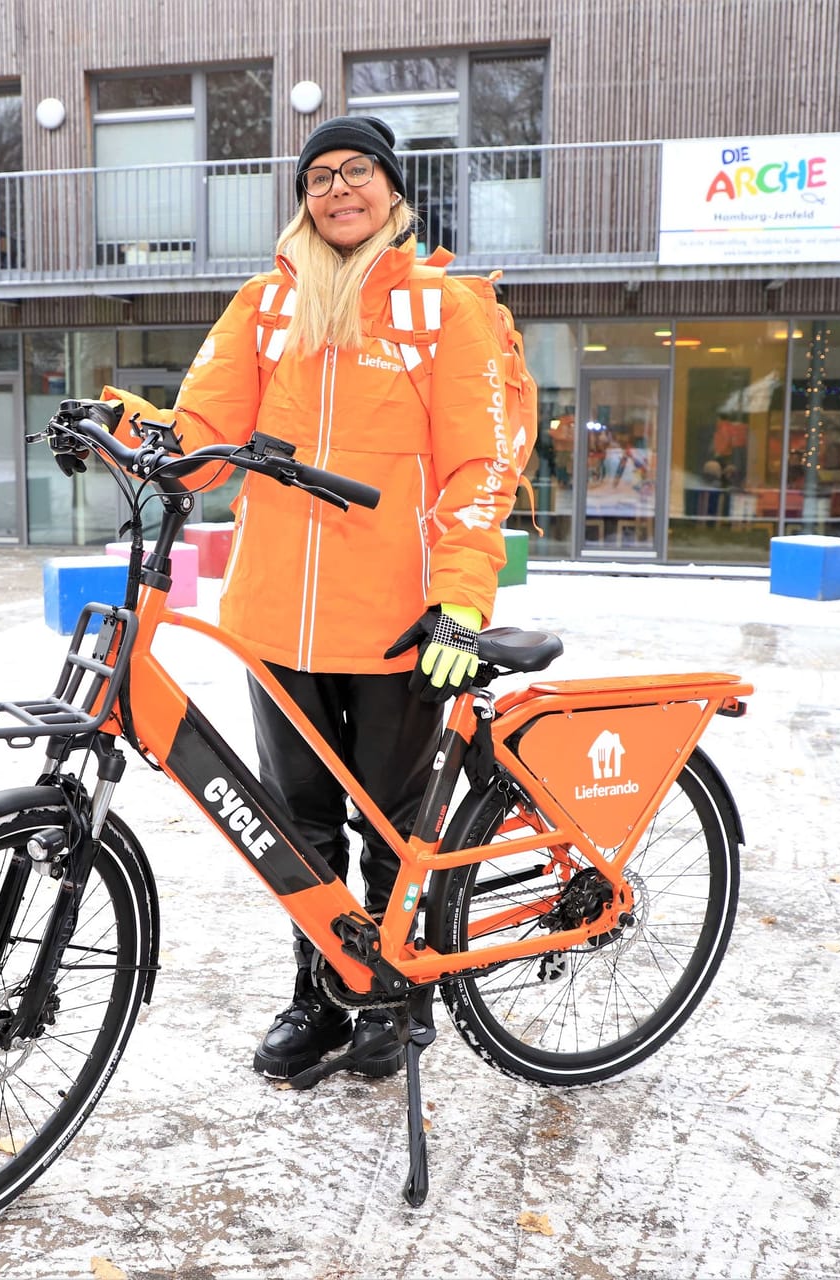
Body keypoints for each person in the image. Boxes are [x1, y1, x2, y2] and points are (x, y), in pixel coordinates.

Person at [95, 115, 521, 1080]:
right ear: (302, 196)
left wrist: (460, 598)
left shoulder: (444, 310)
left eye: (357, 170)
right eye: (319, 176)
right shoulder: (264, 306)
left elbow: (479, 465)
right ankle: (323, 994)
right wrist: (129, 423)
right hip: (278, 617)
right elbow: (204, 436)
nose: (338, 189)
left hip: (397, 621)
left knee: (391, 820)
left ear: (392, 187)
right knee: (297, 824)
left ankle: (395, 999)